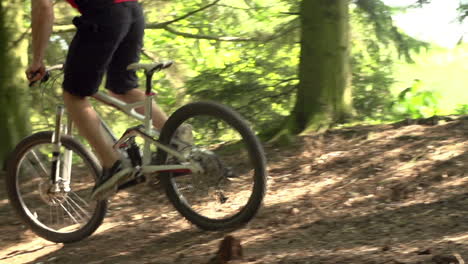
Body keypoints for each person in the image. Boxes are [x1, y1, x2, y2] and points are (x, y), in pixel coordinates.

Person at [26, 0, 169, 199]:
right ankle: (175, 139)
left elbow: (43, 8)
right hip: (133, 12)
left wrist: (37, 61)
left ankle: (113, 163)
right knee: (123, 88)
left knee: (74, 94)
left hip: (105, 15)